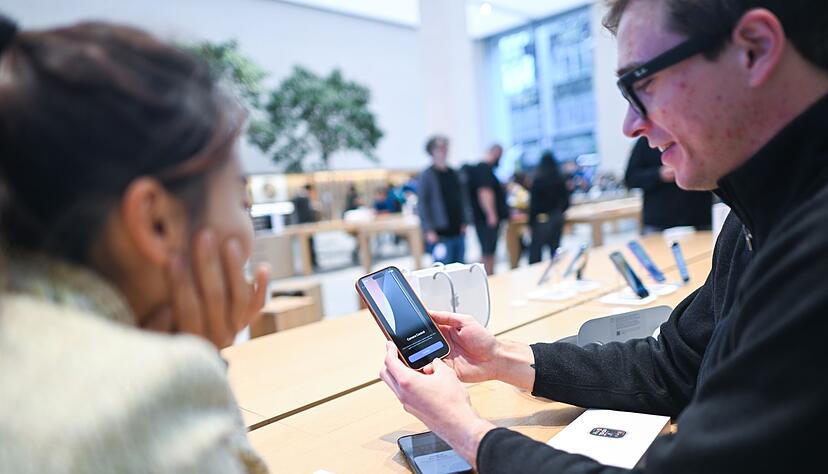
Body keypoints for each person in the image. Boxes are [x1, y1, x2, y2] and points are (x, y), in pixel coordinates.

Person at [380, 0, 828, 472]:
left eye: (643, 84)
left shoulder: (811, 252)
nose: (631, 125)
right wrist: (500, 358)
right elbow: (674, 364)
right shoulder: (756, 217)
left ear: (754, 50)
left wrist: (467, 434)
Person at [0, 18, 272, 472]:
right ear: (157, 222)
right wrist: (194, 362)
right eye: (241, 200)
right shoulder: (139, 395)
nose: (249, 235)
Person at [624, 136, 713, 233]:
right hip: (659, 222)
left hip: (700, 218)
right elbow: (630, 178)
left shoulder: (696, 136)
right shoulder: (646, 140)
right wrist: (659, 174)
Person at [417, 135, 467, 264]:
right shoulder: (427, 175)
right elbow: (422, 204)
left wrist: (464, 221)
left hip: (458, 230)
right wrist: (428, 230)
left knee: (461, 267)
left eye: (445, 147)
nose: (443, 150)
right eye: (439, 147)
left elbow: (461, 199)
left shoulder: (454, 173)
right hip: (440, 234)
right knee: (443, 268)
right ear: (431, 151)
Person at [466, 144, 509, 274]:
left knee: (489, 251)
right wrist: (491, 214)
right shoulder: (484, 169)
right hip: (486, 220)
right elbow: (485, 192)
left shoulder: (484, 169)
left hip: (484, 218)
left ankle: (489, 275)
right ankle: (488, 277)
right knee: (488, 252)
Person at [528, 151, 570, 264]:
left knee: (536, 253)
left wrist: (530, 223)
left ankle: (535, 273)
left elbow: (534, 204)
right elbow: (567, 201)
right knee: (555, 250)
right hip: (557, 218)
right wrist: (559, 212)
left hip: (542, 219)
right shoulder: (560, 179)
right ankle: (556, 272)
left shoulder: (538, 180)